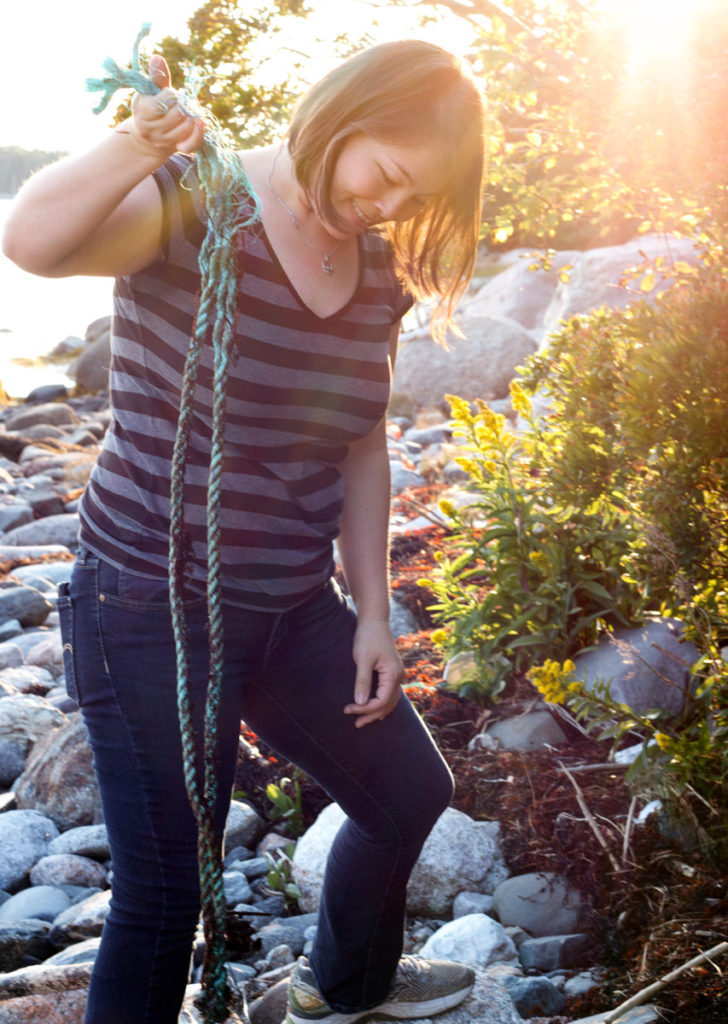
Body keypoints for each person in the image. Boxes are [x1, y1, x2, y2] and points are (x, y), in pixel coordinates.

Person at [2, 38, 486, 1024]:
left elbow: (361, 446)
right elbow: (32, 243)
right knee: (166, 893)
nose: (388, 205)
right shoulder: (198, 204)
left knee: (404, 794)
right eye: (386, 174)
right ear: (345, 117)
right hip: (147, 605)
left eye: (412, 195)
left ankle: (340, 987)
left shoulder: (374, 269)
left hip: (295, 604)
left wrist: (372, 616)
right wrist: (133, 149)